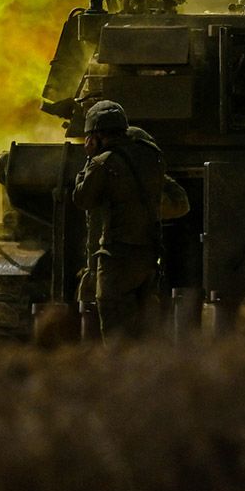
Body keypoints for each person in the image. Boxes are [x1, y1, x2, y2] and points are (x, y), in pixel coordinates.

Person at [70, 100, 169, 341]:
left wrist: (88, 160)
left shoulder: (103, 163)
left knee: (115, 331)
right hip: (148, 255)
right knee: (144, 331)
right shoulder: (151, 156)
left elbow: (82, 198)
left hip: (117, 259)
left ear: (95, 135)